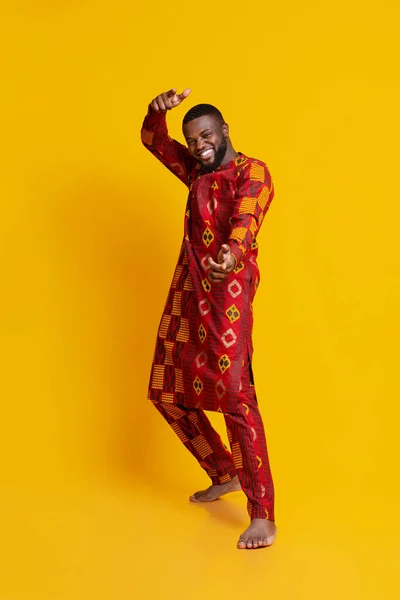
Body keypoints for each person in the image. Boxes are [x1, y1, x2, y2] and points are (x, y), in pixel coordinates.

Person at [141, 88, 277, 549]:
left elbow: (247, 218)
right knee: (165, 391)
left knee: (236, 398)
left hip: (228, 298)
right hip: (188, 297)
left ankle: (263, 515)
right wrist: (155, 114)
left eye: (205, 136)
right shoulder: (197, 170)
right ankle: (223, 471)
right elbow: (154, 142)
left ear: (224, 131)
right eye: (192, 139)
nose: (198, 145)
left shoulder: (251, 172)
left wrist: (232, 254)